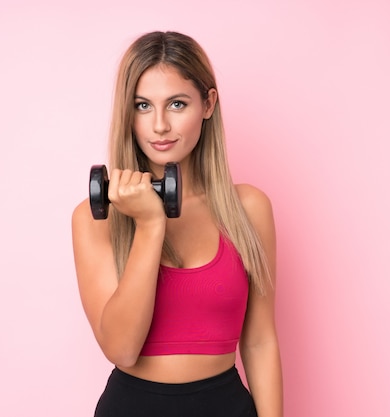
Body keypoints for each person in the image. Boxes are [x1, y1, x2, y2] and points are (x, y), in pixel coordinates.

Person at [72, 31, 283, 417]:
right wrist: (151, 224)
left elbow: (259, 341)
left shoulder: (249, 209)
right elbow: (121, 349)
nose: (160, 126)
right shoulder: (94, 217)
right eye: (142, 106)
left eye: (177, 103)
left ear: (207, 104)